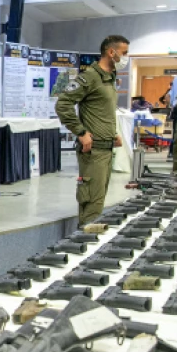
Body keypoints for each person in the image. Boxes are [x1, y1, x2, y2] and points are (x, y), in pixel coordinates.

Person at [56, 35, 128, 226]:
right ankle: (84, 246)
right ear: (111, 52)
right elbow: (63, 104)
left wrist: (112, 134)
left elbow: (100, 111)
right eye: (124, 53)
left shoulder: (109, 78)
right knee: (91, 207)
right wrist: (80, 132)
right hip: (93, 152)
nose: (126, 58)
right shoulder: (89, 77)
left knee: (98, 203)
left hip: (106, 149)